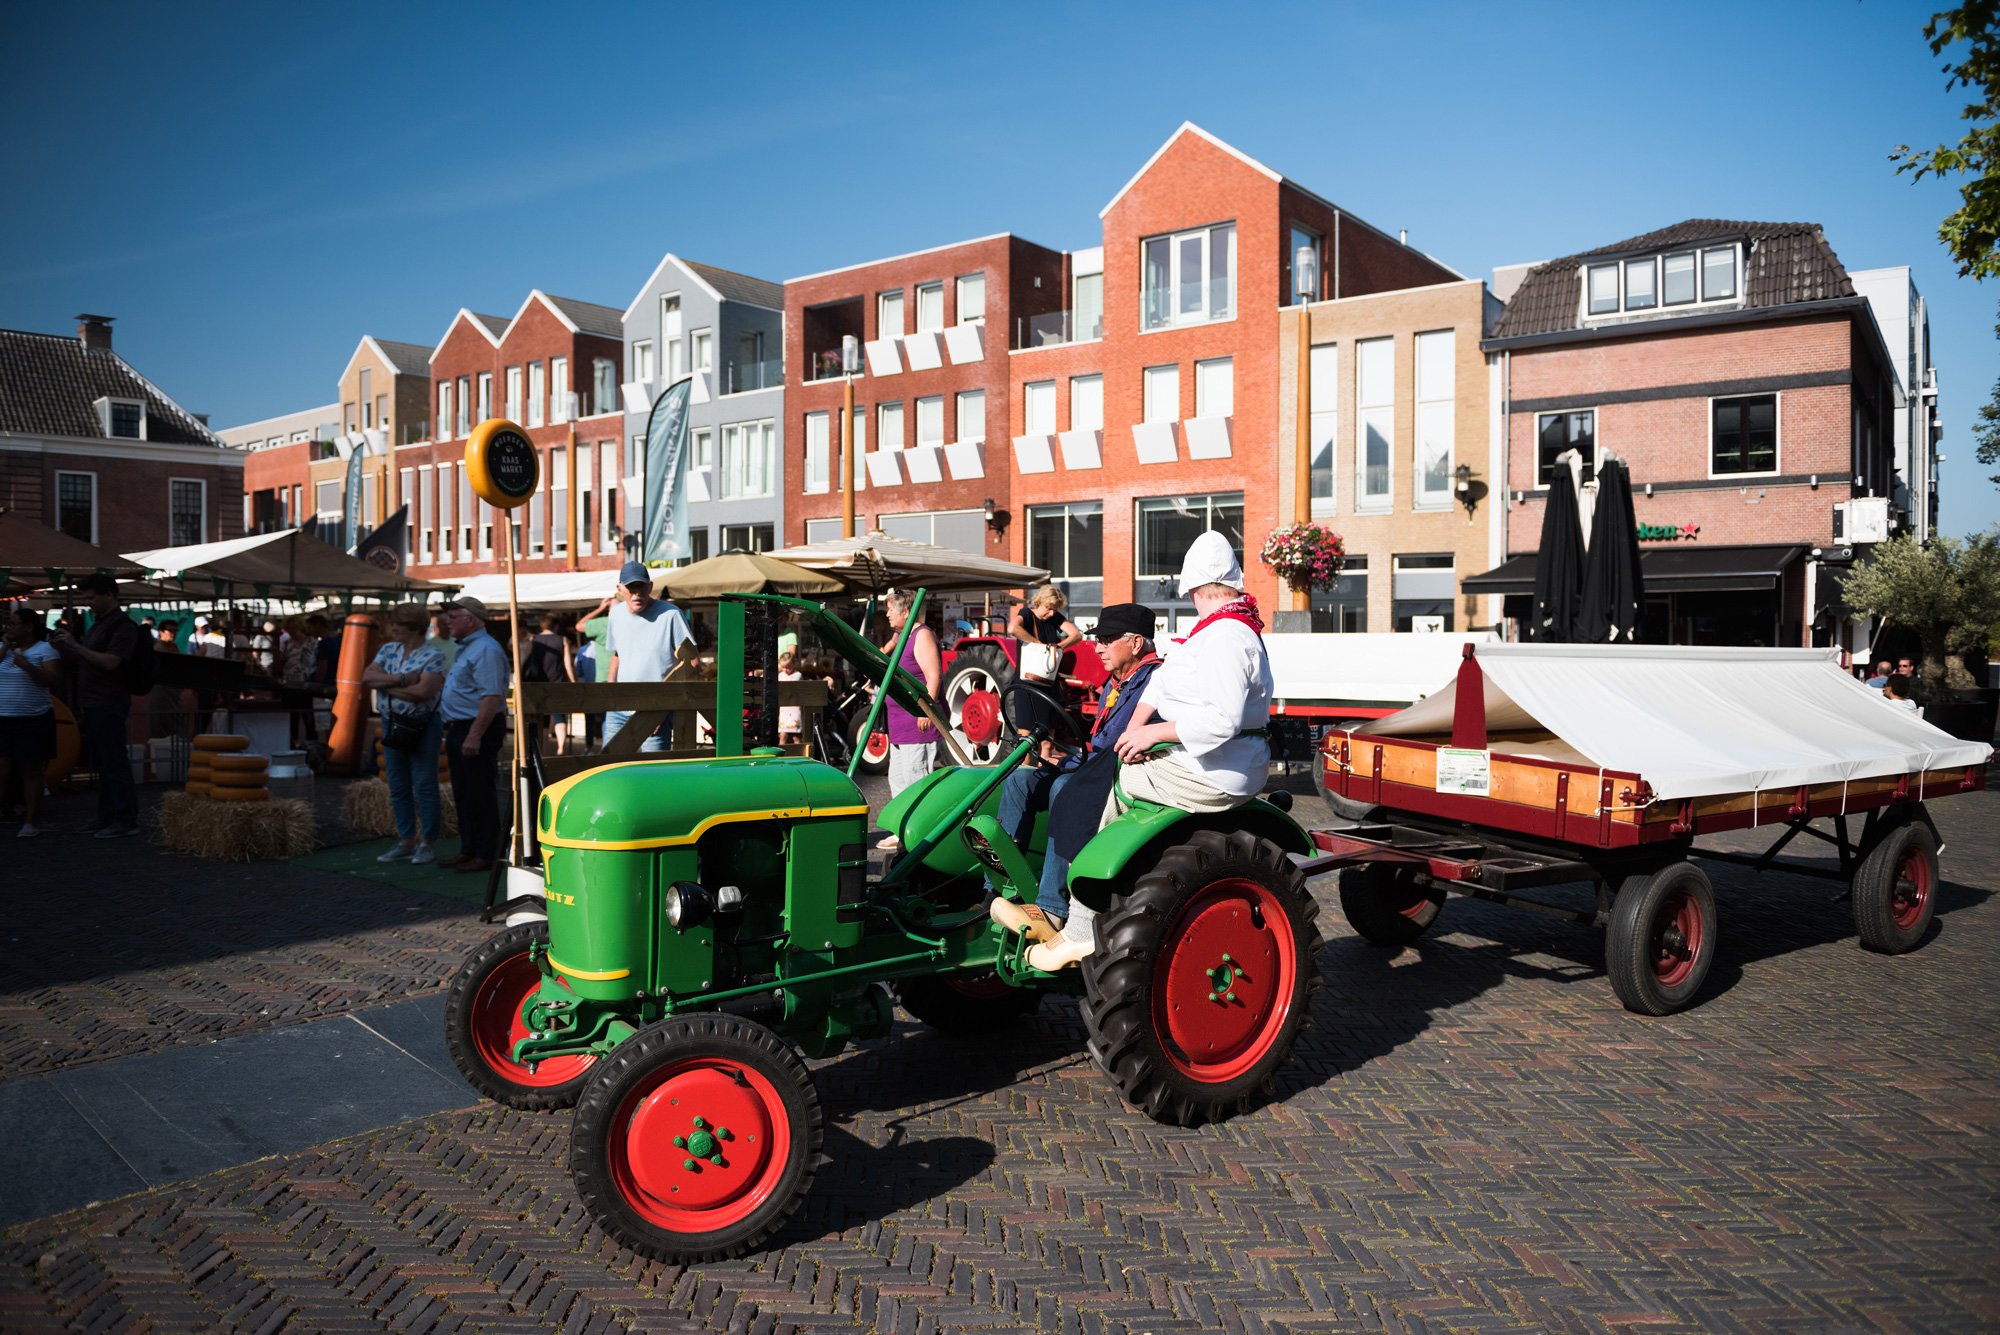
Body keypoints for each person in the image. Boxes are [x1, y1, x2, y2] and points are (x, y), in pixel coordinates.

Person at [1027, 532, 1272, 970]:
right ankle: (1056, 898)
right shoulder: (1214, 629)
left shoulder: (1228, 637)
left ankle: (1079, 926)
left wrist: (1154, 735)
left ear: (1196, 589)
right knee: (1099, 769)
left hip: (1219, 767)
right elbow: (1161, 681)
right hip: (1208, 758)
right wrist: (1136, 726)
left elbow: (1223, 720)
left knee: (1102, 783)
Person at [988, 603, 1163, 944]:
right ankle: (998, 889)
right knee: (1020, 780)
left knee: (1065, 787)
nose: (1097, 647)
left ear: (1136, 643)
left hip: (1123, 775)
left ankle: (1052, 908)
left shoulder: (1154, 682)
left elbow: (1123, 743)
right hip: (1095, 766)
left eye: (1107, 640)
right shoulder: (1119, 682)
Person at [47, 573, 144, 838]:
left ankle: (125, 819)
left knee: (113, 763)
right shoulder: (100, 624)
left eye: (91, 597)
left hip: (108, 700)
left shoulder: (122, 626)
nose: (88, 603)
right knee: (103, 764)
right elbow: (88, 660)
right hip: (93, 701)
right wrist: (66, 647)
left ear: (109, 595)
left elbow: (111, 662)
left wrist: (75, 646)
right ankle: (107, 817)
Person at [362, 603, 448, 865]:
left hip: (422, 724)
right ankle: (406, 840)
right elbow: (366, 677)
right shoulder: (389, 649)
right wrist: (403, 680)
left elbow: (424, 692)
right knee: (397, 784)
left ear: (413, 626)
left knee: (424, 784)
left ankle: (427, 842)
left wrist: (386, 686)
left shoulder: (434, 655)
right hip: (391, 723)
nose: (393, 628)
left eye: (398, 623)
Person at [437, 596, 510, 874]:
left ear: (471, 619)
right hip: (464, 727)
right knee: (465, 792)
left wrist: (475, 735)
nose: (448, 620)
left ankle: (485, 852)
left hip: (476, 727)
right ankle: (470, 848)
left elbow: (491, 697)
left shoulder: (485, 649)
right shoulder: (469, 647)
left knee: (479, 792)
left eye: (454, 615)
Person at [877, 588, 943, 853]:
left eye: (891, 609)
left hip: (917, 721)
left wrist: (926, 711)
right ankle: (901, 830)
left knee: (916, 778)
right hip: (899, 722)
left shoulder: (922, 635)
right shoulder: (901, 636)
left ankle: (919, 833)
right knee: (898, 779)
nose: (887, 614)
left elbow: (934, 676)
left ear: (906, 611)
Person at [605, 562, 691, 754]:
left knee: (654, 771)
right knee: (607, 766)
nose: (637, 592)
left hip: (655, 707)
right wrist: (610, 690)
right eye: (631, 587)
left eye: (641, 586)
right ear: (620, 589)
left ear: (650, 587)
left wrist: (662, 707)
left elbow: (692, 663)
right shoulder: (616, 614)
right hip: (618, 708)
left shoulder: (671, 614)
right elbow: (617, 654)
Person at [0, 607, 63, 838]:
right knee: (2, 769)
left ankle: (31, 820)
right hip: (3, 717)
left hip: (33, 717)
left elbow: (54, 680)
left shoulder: (45, 650)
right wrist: (6, 645)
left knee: (31, 770)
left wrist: (27, 666)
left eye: (15, 623)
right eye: (9, 623)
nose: (10, 627)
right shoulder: (3, 648)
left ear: (28, 627)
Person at [778, 649, 804, 747]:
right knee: (783, 736)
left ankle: (800, 757)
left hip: (794, 709)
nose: (785, 670)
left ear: (794, 664)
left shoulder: (797, 675)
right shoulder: (781, 675)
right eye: (783, 667)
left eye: (788, 667)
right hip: (784, 710)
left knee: (796, 736)